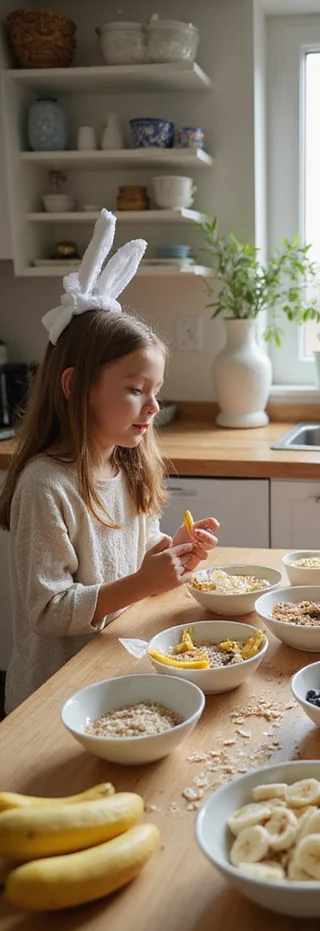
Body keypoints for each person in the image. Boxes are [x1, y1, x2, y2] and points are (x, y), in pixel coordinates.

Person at [0, 211, 218, 713]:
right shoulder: (46, 487)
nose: (153, 406)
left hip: (109, 675)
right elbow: (50, 612)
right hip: (52, 699)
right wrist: (143, 583)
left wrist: (173, 550)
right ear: (76, 386)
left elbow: (134, 561)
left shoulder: (125, 469)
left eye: (156, 391)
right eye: (135, 390)